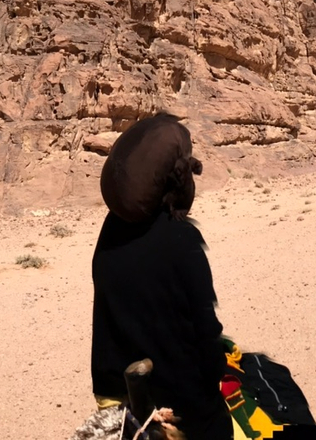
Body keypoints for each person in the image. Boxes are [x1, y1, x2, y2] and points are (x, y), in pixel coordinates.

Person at [89, 114, 229, 438]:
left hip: (113, 396)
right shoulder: (183, 240)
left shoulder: (110, 230)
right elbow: (206, 332)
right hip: (171, 403)